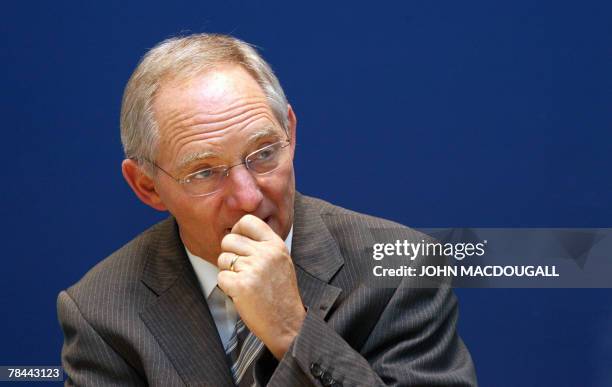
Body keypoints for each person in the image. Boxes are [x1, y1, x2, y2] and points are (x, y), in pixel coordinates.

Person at [57, 33, 477, 386]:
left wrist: (293, 330)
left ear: (290, 134)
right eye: (204, 172)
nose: (248, 197)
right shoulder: (101, 312)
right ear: (147, 186)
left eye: (262, 154)